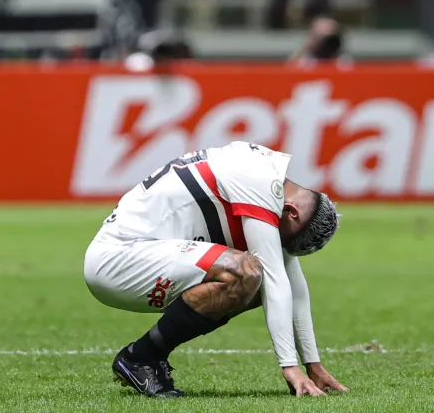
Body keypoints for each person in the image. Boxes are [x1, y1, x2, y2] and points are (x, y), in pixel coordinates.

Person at [83, 141, 348, 398]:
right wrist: (290, 367)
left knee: (255, 279)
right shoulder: (259, 182)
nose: (278, 246)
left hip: (143, 253)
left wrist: (313, 364)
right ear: (291, 212)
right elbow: (276, 279)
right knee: (246, 272)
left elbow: (293, 286)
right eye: (283, 241)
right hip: (119, 260)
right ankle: (142, 357)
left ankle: (142, 356)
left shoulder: (269, 177)